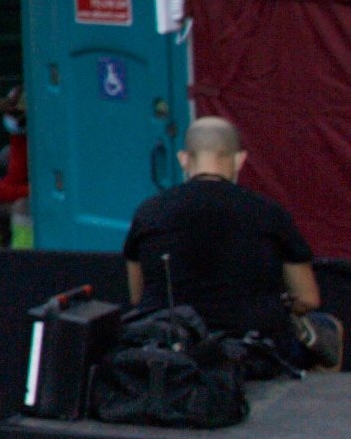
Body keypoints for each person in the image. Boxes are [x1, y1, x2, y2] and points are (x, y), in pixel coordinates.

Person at [121, 113, 324, 372]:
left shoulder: (147, 213)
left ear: (183, 159)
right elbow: (308, 299)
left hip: (170, 355)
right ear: (240, 160)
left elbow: (138, 297)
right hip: (253, 355)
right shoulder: (269, 212)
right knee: (326, 332)